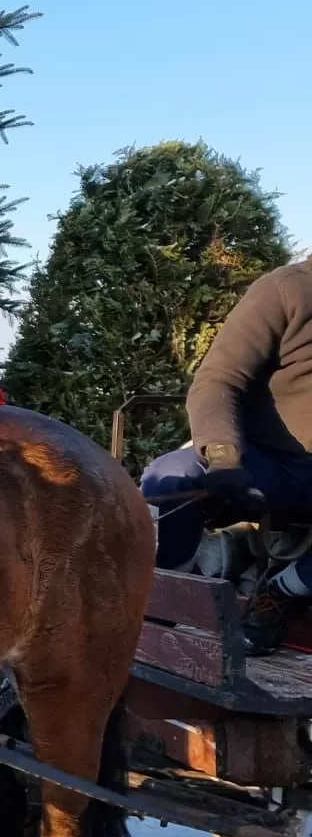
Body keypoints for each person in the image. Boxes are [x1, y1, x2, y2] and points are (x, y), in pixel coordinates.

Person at [141, 260, 312, 651]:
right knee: (172, 475)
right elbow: (221, 378)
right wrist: (222, 457)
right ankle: (170, 596)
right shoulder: (287, 289)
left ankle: (283, 592)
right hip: (269, 464)